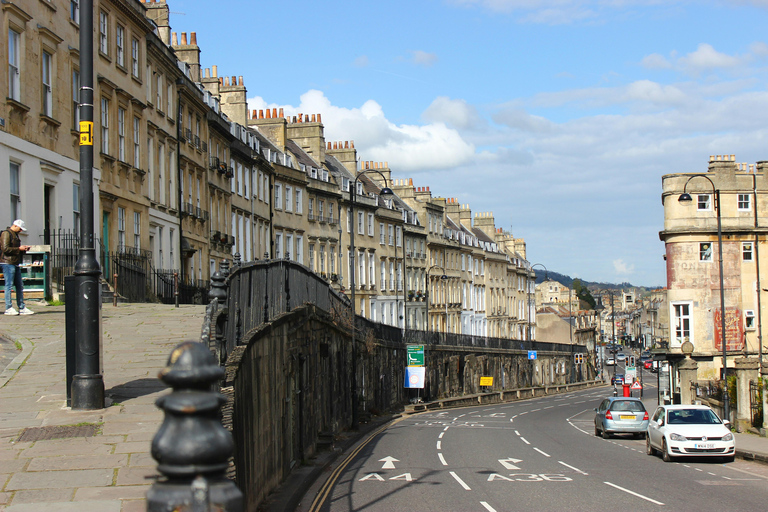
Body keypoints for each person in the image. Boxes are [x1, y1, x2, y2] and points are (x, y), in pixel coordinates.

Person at [1, 219, 34, 315]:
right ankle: (8, 307)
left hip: (14, 262)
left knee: (19, 286)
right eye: (20, 229)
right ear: (15, 226)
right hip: (7, 262)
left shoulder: (15, 234)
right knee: (9, 285)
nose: (21, 231)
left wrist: (22, 250)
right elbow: (5, 248)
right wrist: (19, 249)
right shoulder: (6, 233)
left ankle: (21, 307)